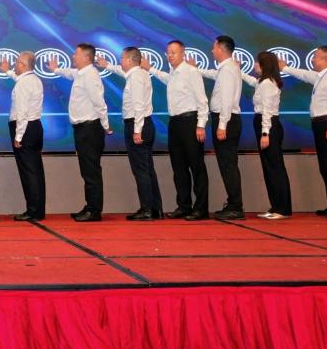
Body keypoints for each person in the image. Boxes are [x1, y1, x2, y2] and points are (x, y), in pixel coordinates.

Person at [281, 47, 327, 219]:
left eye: (315, 57)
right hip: (321, 125)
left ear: (326, 59)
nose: (312, 59)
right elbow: (305, 75)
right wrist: (285, 68)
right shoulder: (322, 76)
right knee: (326, 167)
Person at [149, 41, 210, 220]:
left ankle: (201, 208)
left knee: (196, 167)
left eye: (173, 52)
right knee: (179, 167)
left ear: (183, 53)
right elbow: (166, 79)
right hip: (175, 123)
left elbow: (202, 100)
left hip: (190, 122)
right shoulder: (173, 73)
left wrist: (201, 125)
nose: (170, 55)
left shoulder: (191, 71)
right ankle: (184, 206)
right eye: (168, 52)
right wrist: (150, 68)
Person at [100, 47, 162, 221]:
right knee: (147, 169)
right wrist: (108, 66)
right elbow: (123, 72)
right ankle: (155, 209)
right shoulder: (140, 74)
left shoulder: (135, 78)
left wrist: (137, 130)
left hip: (137, 124)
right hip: (144, 124)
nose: (120, 61)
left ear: (129, 60)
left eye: (122, 58)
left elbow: (138, 106)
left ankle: (146, 209)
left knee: (141, 170)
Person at [51, 43, 110, 221]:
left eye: (76, 54)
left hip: (90, 128)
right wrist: (56, 69)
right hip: (83, 129)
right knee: (87, 170)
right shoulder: (81, 73)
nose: (72, 56)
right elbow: (70, 73)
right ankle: (90, 205)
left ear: (86, 57)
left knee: (91, 171)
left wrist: (105, 125)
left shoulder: (90, 75)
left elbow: (99, 102)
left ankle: (94, 211)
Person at [242, 51, 292, 219]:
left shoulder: (267, 84)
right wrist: (237, 71)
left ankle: (282, 209)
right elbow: (251, 81)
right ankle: (276, 206)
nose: (255, 65)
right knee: (269, 167)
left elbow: (267, 111)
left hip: (269, 126)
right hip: (265, 125)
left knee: (275, 168)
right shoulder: (262, 82)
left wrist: (265, 133)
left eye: (257, 62)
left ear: (264, 65)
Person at [199, 35, 245, 220]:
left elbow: (226, 100)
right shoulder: (227, 68)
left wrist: (222, 125)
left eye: (214, 47)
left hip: (226, 120)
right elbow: (214, 75)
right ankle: (233, 203)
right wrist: (196, 69)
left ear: (221, 49)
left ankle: (235, 206)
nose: (212, 51)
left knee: (228, 165)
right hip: (227, 119)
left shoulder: (228, 70)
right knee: (227, 164)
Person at [8, 51, 45, 221]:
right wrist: (8, 72)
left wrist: (18, 136)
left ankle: (33, 211)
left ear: (22, 65)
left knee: (29, 171)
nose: (15, 65)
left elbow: (22, 112)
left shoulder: (23, 83)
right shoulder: (34, 79)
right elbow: (18, 78)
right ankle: (37, 209)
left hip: (25, 128)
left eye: (16, 62)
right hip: (35, 126)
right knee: (36, 170)